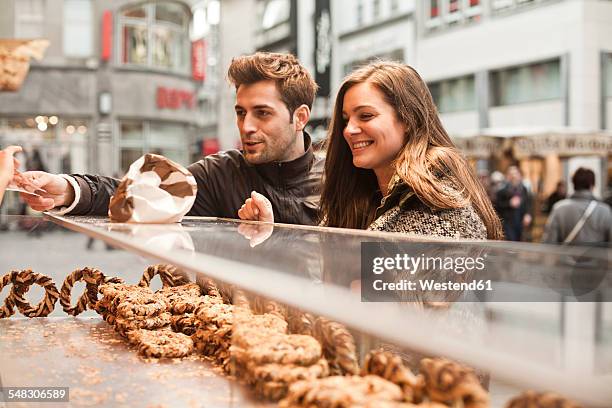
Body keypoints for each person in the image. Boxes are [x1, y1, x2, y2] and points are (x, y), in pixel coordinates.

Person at [19, 53, 323, 225]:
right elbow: (134, 192)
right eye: (241, 112)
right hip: (233, 331)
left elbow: (369, 279)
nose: (247, 126)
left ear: (300, 117)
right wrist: (69, 189)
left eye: (263, 113)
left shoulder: (341, 176)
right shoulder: (221, 174)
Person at [240, 61, 503, 240]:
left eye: (365, 116)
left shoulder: (436, 195)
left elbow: (411, 299)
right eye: (345, 119)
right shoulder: (361, 189)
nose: (349, 130)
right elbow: (320, 272)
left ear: (408, 120)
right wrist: (269, 232)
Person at [542, 168, 612, 245]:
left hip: (564, 256)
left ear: (573, 184)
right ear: (592, 185)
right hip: (598, 257)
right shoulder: (604, 210)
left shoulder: (559, 208)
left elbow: (549, 242)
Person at [495, 166, 532, 241]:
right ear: (507, 176)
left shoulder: (523, 189)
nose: (514, 176)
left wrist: (527, 214)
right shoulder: (501, 191)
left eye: (515, 174)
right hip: (508, 223)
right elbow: (497, 206)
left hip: (520, 221)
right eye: (511, 174)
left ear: (519, 175)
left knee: (519, 242)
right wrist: (509, 203)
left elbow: (527, 203)